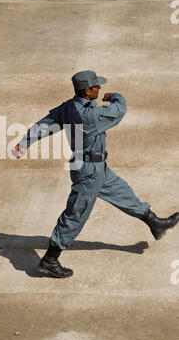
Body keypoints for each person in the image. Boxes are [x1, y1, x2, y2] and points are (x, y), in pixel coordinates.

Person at [14, 70, 179, 278]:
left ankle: (155, 223)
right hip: (88, 171)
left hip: (96, 166)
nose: (99, 89)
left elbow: (46, 123)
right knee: (75, 215)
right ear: (88, 90)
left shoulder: (69, 107)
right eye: (97, 87)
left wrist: (24, 142)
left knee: (121, 192)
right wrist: (115, 96)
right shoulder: (89, 116)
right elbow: (119, 110)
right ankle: (50, 259)